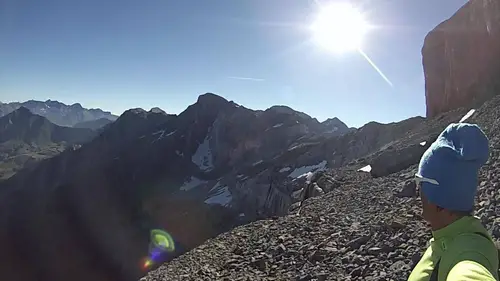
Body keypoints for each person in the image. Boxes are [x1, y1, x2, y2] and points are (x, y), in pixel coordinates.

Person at [408, 123, 499, 281]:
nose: (417, 190)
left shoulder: (468, 258)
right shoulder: (452, 236)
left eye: (420, 181)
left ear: (438, 197)